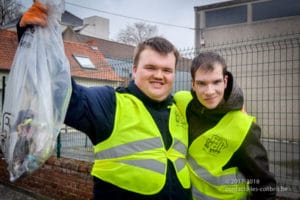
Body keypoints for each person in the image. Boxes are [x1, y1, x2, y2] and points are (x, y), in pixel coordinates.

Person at [17, 2, 192, 200]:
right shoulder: (111, 103)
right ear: (134, 71)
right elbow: (61, 92)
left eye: (167, 70)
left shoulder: (181, 109)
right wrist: (35, 37)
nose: (159, 75)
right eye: (151, 67)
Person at [174, 52, 276, 199]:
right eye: (202, 83)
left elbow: (264, 185)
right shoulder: (181, 102)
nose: (209, 92)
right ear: (193, 85)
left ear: (225, 81)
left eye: (216, 82)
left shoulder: (243, 127)